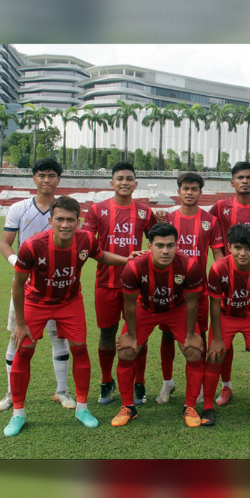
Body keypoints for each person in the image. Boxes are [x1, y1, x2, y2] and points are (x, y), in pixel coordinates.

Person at [6, 196, 133, 436]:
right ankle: (18, 414)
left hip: (69, 302)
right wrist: (20, 323)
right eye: (60, 219)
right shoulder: (32, 246)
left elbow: (101, 256)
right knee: (24, 351)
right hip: (37, 302)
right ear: (50, 221)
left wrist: (126, 260)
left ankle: (82, 409)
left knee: (80, 349)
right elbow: (18, 284)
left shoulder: (86, 239)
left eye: (71, 220)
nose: (65, 225)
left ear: (78, 222)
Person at [0, 159, 75, 413]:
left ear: (59, 179)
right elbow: (5, 243)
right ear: (34, 178)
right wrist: (19, 264)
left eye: (52, 175)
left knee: (58, 338)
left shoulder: (65, 209)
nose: (46, 180)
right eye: (41, 175)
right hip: (25, 285)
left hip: (57, 286)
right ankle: (11, 393)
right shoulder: (19, 208)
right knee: (18, 337)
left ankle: (62, 391)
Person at [111, 223, 206, 428]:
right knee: (126, 351)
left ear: (176, 245)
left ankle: (190, 406)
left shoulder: (189, 266)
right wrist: (131, 334)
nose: (165, 251)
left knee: (194, 351)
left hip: (177, 309)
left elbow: (192, 303)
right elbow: (129, 303)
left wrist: (190, 334)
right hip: (145, 308)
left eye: (170, 245)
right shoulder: (134, 266)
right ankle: (128, 407)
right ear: (149, 246)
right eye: (160, 245)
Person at [81, 162, 157, 407]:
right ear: (111, 182)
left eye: (129, 179)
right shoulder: (97, 210)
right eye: (120, 178)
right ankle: (106, 381)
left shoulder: (145, 212)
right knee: (106, 333)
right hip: (106, 283)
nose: (124, 182)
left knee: (138, 334)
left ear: (135, 184)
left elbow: (157, 243)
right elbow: (87, 244)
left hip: (138, 285)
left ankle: (139, 382)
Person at [208, 162, 250, 406]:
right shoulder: (220, 206)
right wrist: (222, 260)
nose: (245, 181)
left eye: (249, 177)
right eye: (240, 177)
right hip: (228, 275)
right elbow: (207, 225)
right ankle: (226, 387)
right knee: (222, 347)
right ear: (232, 182)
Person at [205, 224, 250, 427]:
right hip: (226, 316)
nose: (242, 253)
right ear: (229, 247)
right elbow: (214, 305)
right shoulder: (218, 268)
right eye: (237, 247)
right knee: (214, 356)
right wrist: (217, 339)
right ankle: (208, 407)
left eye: (249, 248)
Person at [161, 172, 225, 406]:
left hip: (198, 291)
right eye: (185, 188)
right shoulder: (167, 219)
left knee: (200, 337)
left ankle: (199, 386)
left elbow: (218, 255)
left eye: (194, 189)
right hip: (170, 290)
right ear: (178, 191)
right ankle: (167, 382)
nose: (189, 193)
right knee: (167, 336)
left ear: (200, 192)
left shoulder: (210, 221)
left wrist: (223, 280)